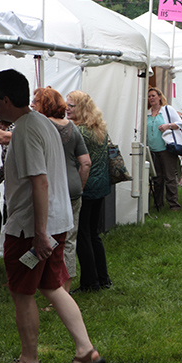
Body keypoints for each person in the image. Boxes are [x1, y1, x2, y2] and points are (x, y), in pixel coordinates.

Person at [0, 69, 105, 363]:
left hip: (31, 228)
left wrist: (39, 233)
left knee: (22, 293)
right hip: (56, 222)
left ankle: (28, 362)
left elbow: (40, 181)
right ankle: (85, 351)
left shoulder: (25, 130)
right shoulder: (42, 123)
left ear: (6, 100)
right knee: (52, 286)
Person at [32, 87, 91, 293]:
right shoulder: (72, 127)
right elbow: (85, 163)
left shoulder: (41, 126)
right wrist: (78, 187)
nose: (31, 105)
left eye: (35, 102)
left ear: (43, 105)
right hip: (72, 189)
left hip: (49, 190)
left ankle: (40, 283)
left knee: (43, 237)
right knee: (69, 242)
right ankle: (64, 290)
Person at [66, 91, 113, 293]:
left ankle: (89, 282)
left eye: (71, 105)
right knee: (93, 234)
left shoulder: (80, 132)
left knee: (83, 235)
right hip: (100, 186)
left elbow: (82, 162)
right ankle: (103, 279)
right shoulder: (99, 128)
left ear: (82, 108)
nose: (67, 108)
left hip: (86, 187)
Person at [146, 87, 182, 211]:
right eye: (149, 96)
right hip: (152, 150)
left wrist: (168, 126)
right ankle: (158, 204)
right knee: (157, 178)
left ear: (159, 97)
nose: (151, 98)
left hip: (166, 148)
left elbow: (180, 124)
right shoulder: (147, 113)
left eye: (153, 96)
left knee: (169, 177)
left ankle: (174, 204)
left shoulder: (167, 110)